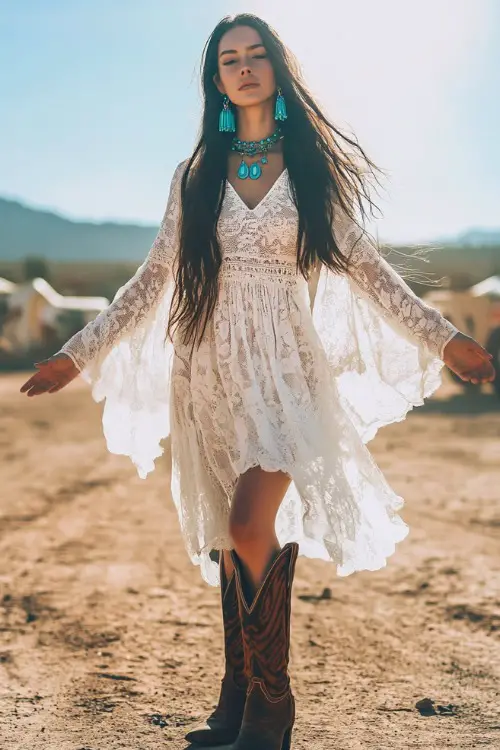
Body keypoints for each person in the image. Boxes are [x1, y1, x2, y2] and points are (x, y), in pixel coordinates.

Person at [20, 14, 496, 750]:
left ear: (277, 69)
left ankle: (272, 709)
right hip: (209, 369)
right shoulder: (196, 175)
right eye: (228, 60)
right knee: (232, 538)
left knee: (247, 524)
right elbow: (152, 281)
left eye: (256, 56)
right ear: (216, 81)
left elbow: (367, 268)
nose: (243, 69)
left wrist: (444, 336)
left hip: (286, 372)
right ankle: (240, 692)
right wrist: (76, 355)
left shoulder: (308, 169)